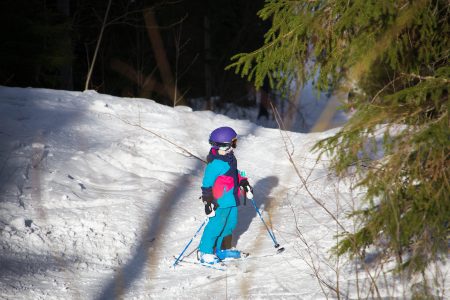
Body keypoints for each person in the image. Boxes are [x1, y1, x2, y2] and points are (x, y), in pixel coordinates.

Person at [198, 126, 252, 264]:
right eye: (233, 143)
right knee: (216, 226)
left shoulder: (230, 158)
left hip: (232, 200)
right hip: (220, 202)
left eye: (235, 142)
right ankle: (205, 252)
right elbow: (206, 185)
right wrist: (208, 201)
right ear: (223, 145)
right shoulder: (214, 164)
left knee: (230, 224)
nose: (235, 146)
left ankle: (220, 249)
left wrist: (243, 181)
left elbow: (236, 173)